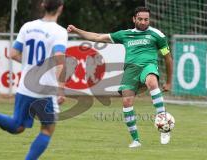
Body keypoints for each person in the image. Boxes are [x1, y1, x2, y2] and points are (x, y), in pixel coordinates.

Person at [67, 6, 173, 148]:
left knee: (152, 81)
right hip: (130, 71)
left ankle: (164, 125)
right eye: (140, 19)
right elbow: (97, 37)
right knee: (127, 103)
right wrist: (76, 30)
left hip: (148, 66)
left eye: (146, 19)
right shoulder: (124, 34)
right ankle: (136, 140)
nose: (143, 22)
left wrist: (169, 82)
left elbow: (168, 58)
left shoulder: (157, 35)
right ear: (134, 19)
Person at [0, 0, 67, 159]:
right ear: (60, 8)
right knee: (47, 129)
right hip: (44, 89)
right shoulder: (59, 32)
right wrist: (61, 87)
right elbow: (59, 59)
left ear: (43, 5)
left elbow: (13, 54)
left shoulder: (28, 27)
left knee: (18, 126)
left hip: (25, 86)